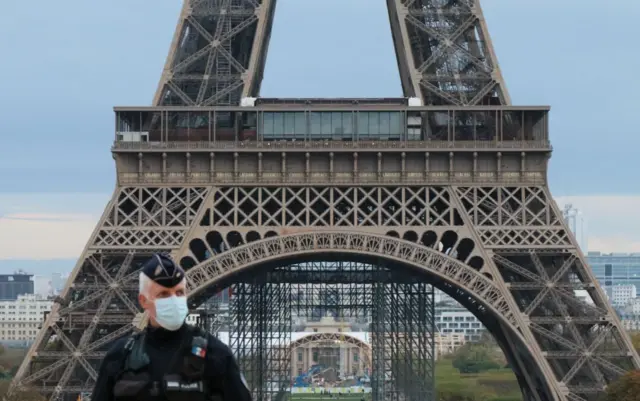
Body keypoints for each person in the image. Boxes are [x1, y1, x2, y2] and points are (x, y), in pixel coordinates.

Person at [91, 253, 252, 401]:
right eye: (164, 294)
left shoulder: (217, 356)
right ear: (143, 300)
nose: (174, 300)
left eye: (179, 293)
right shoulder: (119, 357)